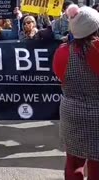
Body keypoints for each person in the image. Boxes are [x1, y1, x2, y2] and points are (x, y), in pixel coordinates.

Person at [53, 5, 99, 179]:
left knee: (73, 162)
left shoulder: (62, 52)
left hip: (71, 112)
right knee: (97, 164)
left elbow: (60, 75)